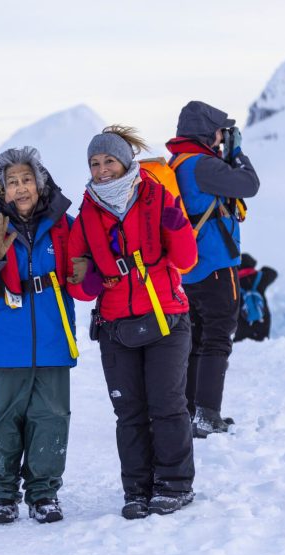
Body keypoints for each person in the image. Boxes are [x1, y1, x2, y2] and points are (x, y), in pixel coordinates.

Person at [67, 125, 198, 519]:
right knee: (130, 412)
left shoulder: (158, 198)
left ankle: (174, 485)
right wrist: (87, 275)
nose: (102, 169)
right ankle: (137, 490)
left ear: (126, 162)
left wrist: (177, 225)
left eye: (109, 161)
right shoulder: (86, 213)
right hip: (115, 327)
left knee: (168, 405)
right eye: (95, 163)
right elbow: (81, 290)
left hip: (166, 320)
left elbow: (187, 261)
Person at [0, 147, 77, 525]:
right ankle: (3, 495)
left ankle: (44, 494)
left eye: (27, 180)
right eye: (12, 183)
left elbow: (84, 277)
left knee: (51, 419)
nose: (21, 189)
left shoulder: (64, 225)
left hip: (52, 341)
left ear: (40, 184)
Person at [166, 101, 260, 438]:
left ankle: (191, 411)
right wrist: (236, 154)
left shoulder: (177, 162)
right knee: (217, 337)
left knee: (194, 340)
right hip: (217, 266)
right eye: (221, 131)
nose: (223, 136)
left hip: (187, 268)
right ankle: (207, 414)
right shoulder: (204, 165)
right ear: (207, 131)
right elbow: (250, 185)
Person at [235, 252, 278, 342]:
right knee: (263, 345)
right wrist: (262, 269)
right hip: (262, 319)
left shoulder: (234, 283)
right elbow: (273, 273)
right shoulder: (260, 277)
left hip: (242, 323)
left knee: (242, 346)